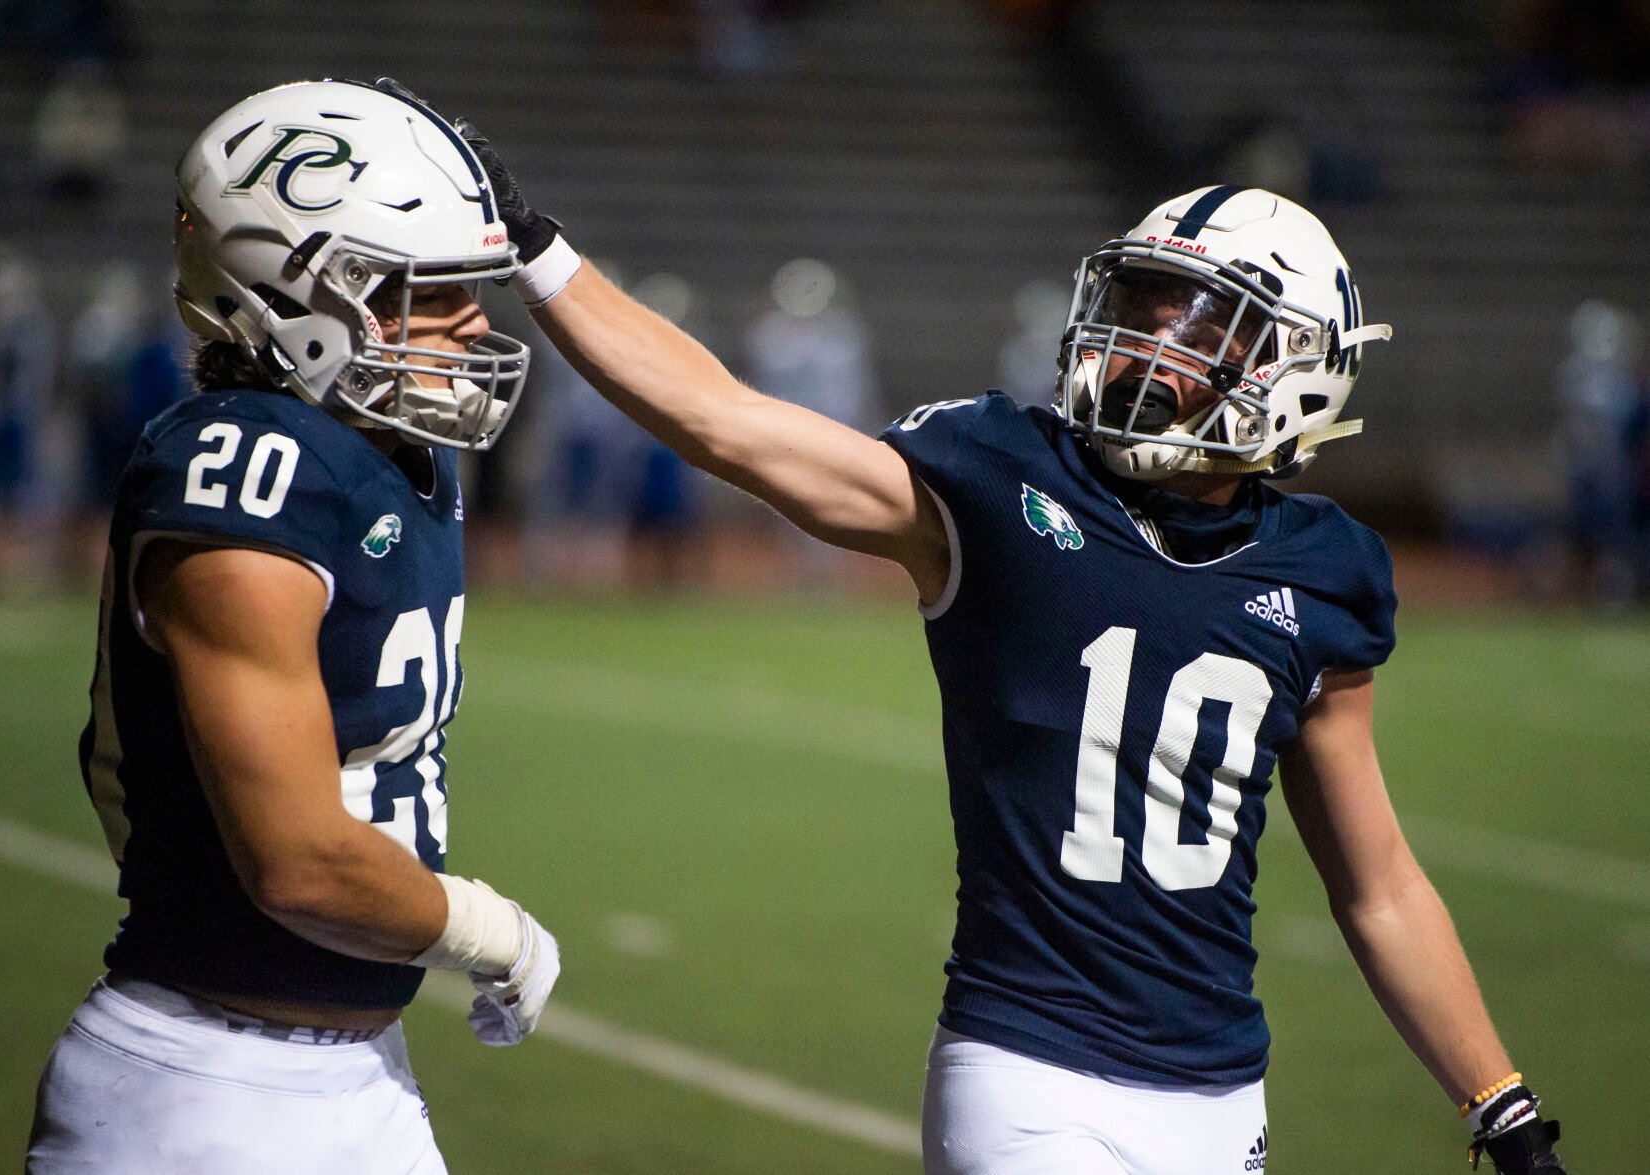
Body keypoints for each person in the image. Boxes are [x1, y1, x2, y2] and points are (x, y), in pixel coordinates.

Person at [461, 135, 1573, 1175]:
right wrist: (542, 254)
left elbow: (1375, 882)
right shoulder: (1002, 480)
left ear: (1295, 365)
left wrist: (1499, 1102)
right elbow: (728, 421)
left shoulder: (1327, 571)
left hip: (1225, 1089)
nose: (1146, 345)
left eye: (1198, 328)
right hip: (1029, 1070)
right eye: (1142, 308)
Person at [26, 78, 560, 1174]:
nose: (471, 326)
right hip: (202, 1083)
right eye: (428, 292)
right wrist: (480, 925)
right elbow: (298, 860)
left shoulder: (391, 453)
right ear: (290, 294)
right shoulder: (244, 472)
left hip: (358, 1074)